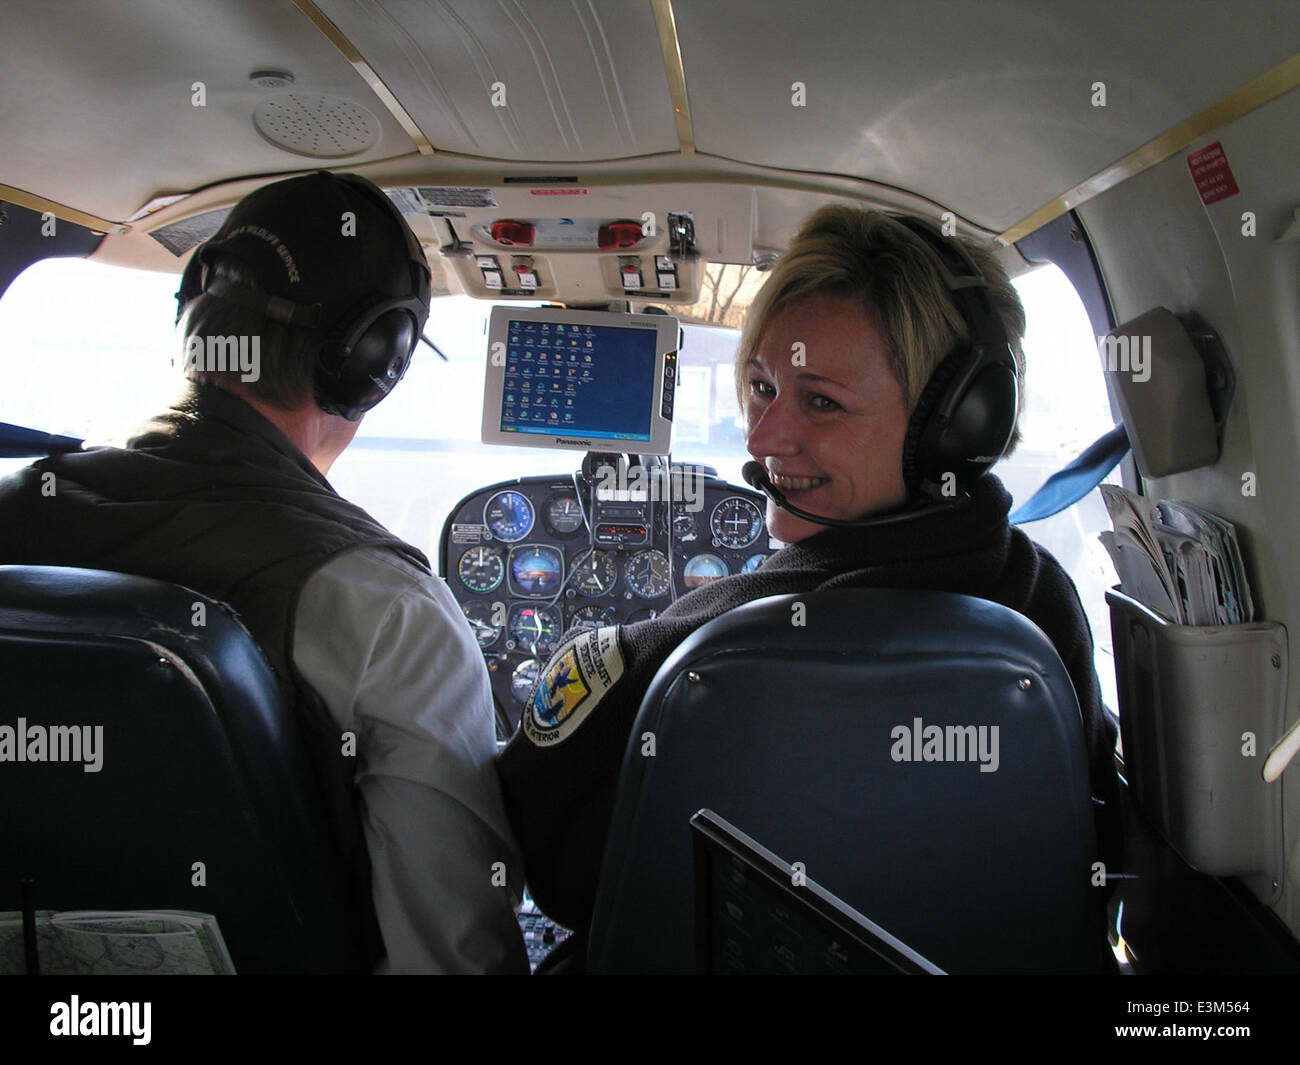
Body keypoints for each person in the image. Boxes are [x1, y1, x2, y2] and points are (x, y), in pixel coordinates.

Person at [497, 204, 1122, 965]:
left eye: (821, 401)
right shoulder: (1043, 611)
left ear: (957, 426)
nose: (761, 441)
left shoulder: (702, 646)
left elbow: (554, 874)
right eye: (761, 386)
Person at [0, 172, 528, 973]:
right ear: (374, 362)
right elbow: (449, 957)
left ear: (191, 307)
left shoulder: (15, 509)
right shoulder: (389, 615)